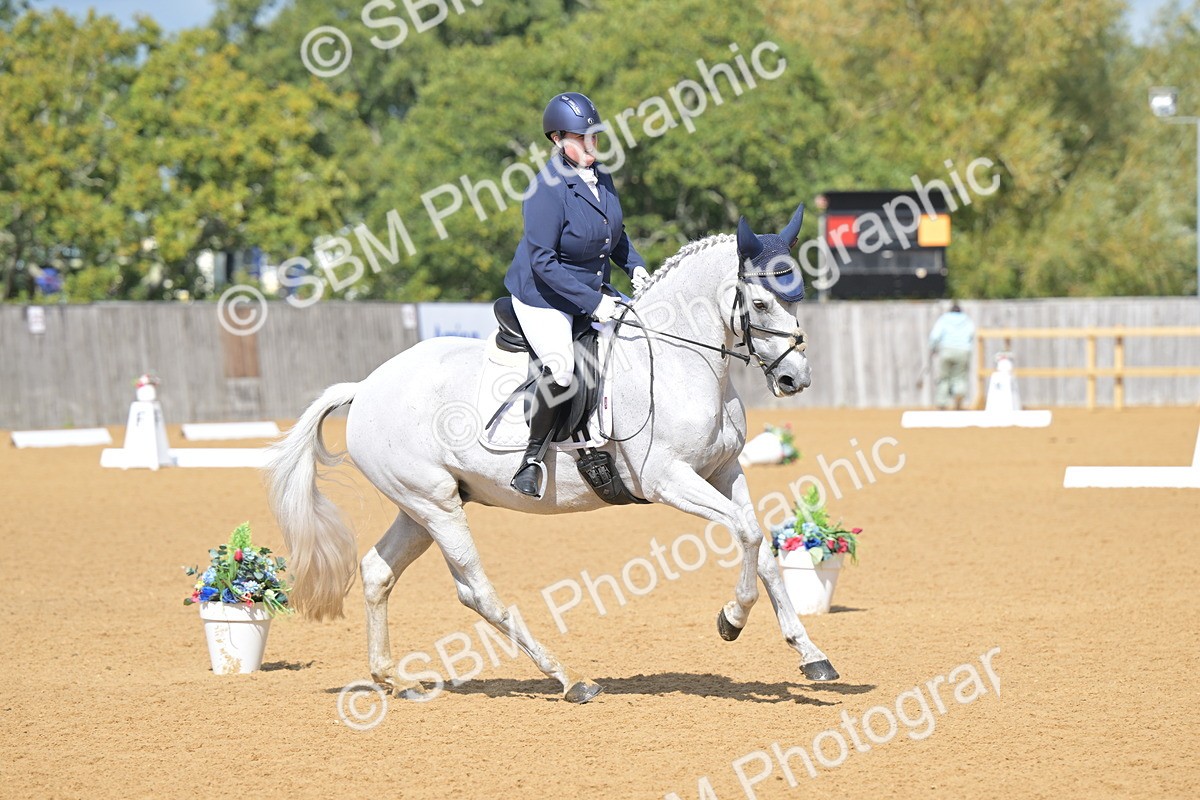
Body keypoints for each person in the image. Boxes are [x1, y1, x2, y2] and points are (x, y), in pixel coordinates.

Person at [503, 91, 650, 498]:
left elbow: (613, 236)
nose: (590, 145)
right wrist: (594, 302)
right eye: (581, 138)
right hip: (543, 295)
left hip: (589, 288)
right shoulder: (546, 188)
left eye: (594, 138)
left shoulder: (602, 177)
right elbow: (543, 262)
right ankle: (531, 459)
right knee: (563, 368)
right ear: (556, 139)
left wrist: (636, 266)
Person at [928, 301, 976, 410]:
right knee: (960, 377)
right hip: (963, 351)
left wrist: (933, 348)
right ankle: (959, 394)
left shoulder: (944, 319)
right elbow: (971, 334)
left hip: (947, 350)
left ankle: (942, 402)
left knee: (944, 377)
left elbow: (935, 336)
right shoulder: (967, 320)